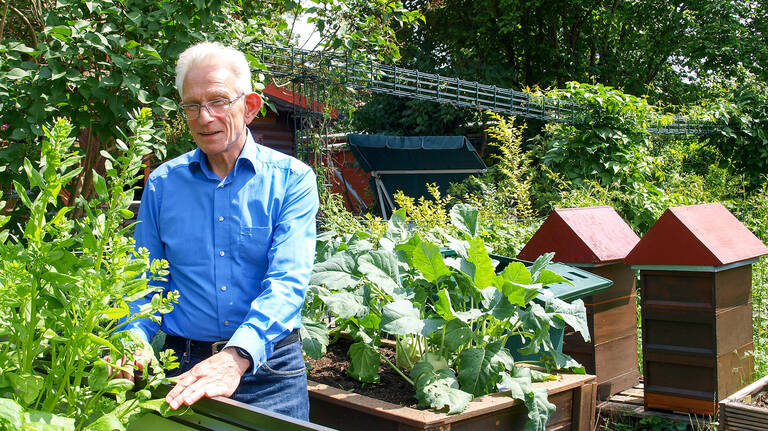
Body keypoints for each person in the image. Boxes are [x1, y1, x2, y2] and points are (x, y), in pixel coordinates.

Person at [119, 41, 319, 421]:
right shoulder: (162, 185)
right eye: (192, 105)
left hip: (270, 370)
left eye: (218, 101)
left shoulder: (292, 180)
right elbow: (145, 278)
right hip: (182, 365)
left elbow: (287, 282)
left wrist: (237, 355)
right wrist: (133, 336)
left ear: (250, 106)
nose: (204, 116)